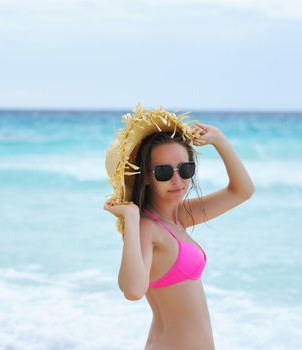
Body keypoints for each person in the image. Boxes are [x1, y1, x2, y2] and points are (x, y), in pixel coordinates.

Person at [104, 104, 255, 350]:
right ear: (146, 177)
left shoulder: (180, 217)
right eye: (163, 172)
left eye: (186, 169)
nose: (178, 180)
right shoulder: (147, 227)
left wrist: (219, 140)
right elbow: (132, 290)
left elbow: (242, 191)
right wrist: (131, 219)